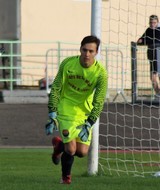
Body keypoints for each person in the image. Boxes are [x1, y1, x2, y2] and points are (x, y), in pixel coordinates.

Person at [45, 35, 108, 184]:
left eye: (91, 51)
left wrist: (90, 122)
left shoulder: (101, 74)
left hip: (83, 112)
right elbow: (56, 88)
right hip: (65, 108)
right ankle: (65, 178)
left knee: (81, 152)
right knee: (72, 150)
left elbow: (99, 100)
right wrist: (53, 112)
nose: (87, 54)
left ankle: (59, 146)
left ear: (96, 52)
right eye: (84, 50)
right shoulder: (68, 64)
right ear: (80, 49)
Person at [137, 15, 160, 100]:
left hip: (159, 56)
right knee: (152, 78)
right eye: (151, 22)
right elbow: (141, 39)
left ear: (157, 23)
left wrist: (145, 40)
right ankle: (158, 93)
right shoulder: (148, 30)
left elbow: (156, 40)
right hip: (151, 56)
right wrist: (141, 40)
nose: (152, 24)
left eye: (154, 22)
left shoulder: (159, 30)